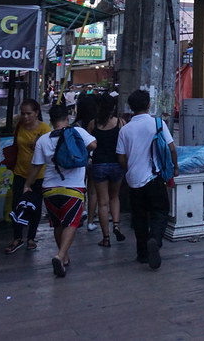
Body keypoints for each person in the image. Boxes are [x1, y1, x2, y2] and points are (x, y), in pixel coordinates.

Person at [21, 103, 96, 277]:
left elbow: (35, 167)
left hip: (49, 189)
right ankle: (60, 254)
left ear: (51, 119)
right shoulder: (77, 132)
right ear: (67, 118)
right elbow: (94, 145)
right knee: (71, 223)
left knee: (57, 223)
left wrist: (27, 185)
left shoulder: (43, 139)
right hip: (73, 188)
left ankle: (65, 257)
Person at [116, 89, 178, 270]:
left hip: (134, 180)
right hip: (154, 177)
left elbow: (121, 157)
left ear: (131, 107)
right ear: (148, 105)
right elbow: (172, 148)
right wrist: (175, 167)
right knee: (160, 211)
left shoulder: (125, 129)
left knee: (139, 217)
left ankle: (142, 254)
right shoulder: (157, 124)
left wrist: (130, 169)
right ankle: (155, 239)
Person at [5, 99, 51, 254]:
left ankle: (31, 237)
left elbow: (49, 152)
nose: (25, 117)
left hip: (39, 175)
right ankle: (17, 237)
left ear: (36, 113)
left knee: (35, 207)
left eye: (28, 113)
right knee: (16, 206)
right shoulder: (19, 126)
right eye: (23, 113)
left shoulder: (44, 129)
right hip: (20, 172)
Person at [87, 93, 126, 247]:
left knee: (102, 203)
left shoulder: (93, 124)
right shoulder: (120, 123)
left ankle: (106, 238)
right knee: (114, 197)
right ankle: (116, 225)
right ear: (114, 107)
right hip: (116, 164)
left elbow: (88, 144)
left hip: (98, 165)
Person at [74, 93, 101, 232]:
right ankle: (91, 220)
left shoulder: (76, 125)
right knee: (92, 192)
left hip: (78, 163)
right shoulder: (98, 123)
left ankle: (80, 211)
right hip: (95, 161)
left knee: (79, 188)